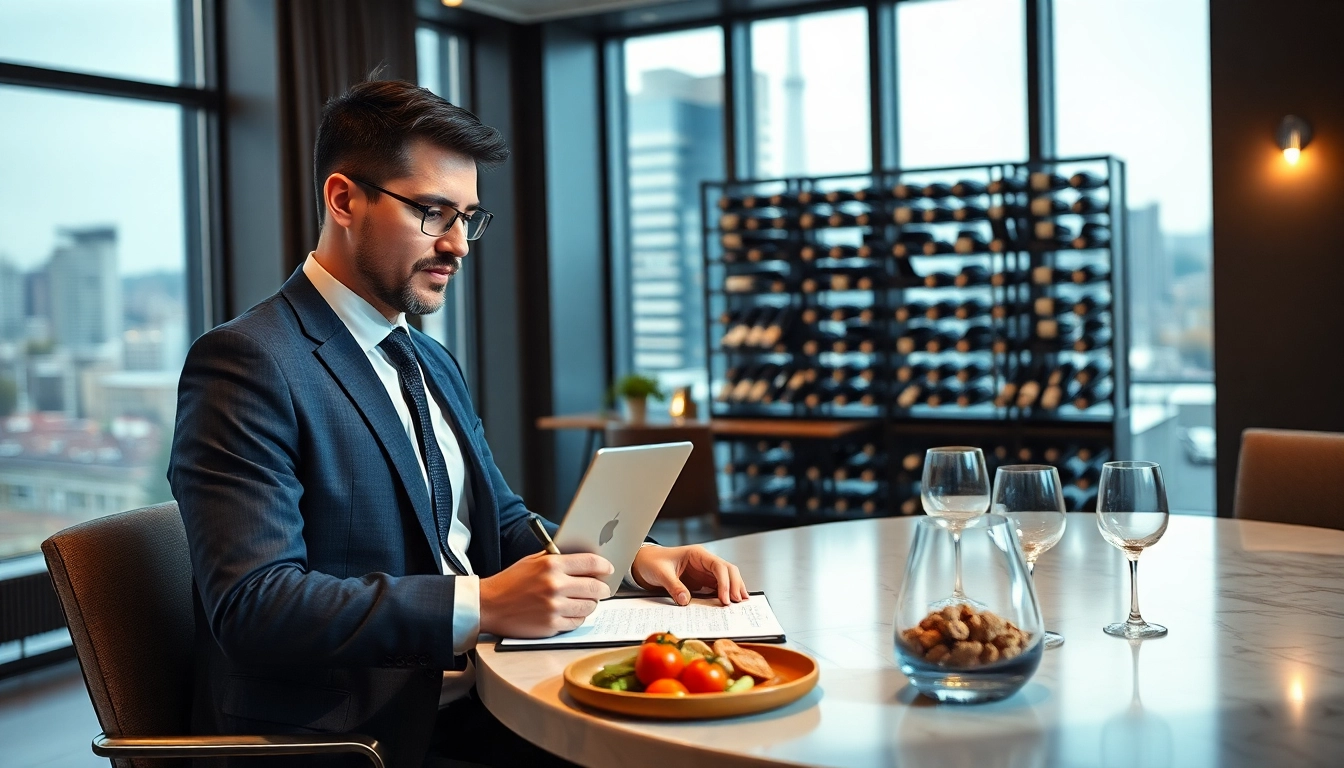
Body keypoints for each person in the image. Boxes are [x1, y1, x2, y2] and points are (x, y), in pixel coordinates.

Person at [168, 78, 747, 768]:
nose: (460, 245)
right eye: (433, 212)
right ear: (343, 199)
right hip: (361, 739)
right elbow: (257, 608)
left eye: (468, 217)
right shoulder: (248, 362)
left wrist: (625, 563)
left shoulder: (429, 360)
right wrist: (482, 604)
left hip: (483, 701)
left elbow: (500, 524)